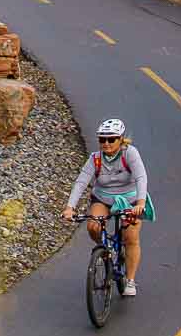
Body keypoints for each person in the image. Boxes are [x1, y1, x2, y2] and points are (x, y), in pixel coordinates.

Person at [62, 117, 153, 297]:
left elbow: (141, 177)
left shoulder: (130, 154)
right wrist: (69, 207)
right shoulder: (95, 159)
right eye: (102, 139)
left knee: (130, 236)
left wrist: (141, 203)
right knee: (93, 225)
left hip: (130, 199)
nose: (106, 143)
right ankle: (105, 250)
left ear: (121, 139)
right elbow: (81, 182)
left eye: (111, 139)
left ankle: (130, 280)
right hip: (103, 198)